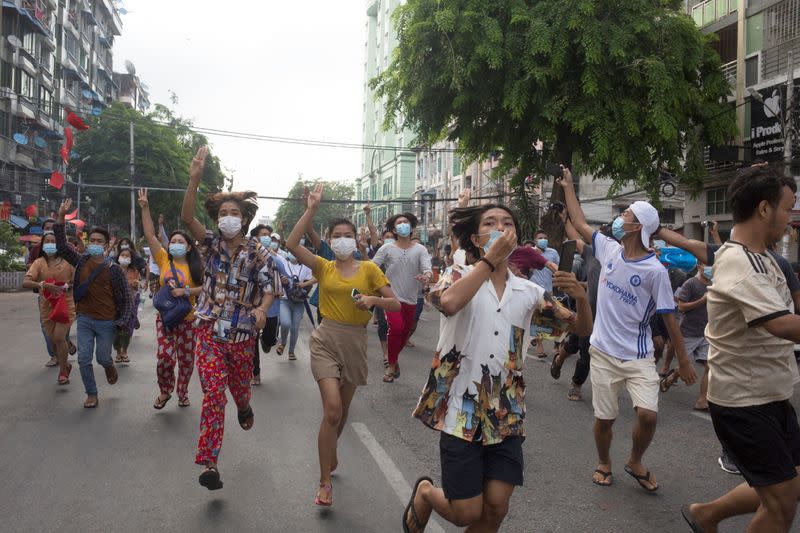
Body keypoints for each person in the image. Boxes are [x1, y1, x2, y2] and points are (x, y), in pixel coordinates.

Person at [402, 203, 592, 533]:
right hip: (460, 405)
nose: (500, 228)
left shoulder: (530, 292)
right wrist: (489, 262)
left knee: (497, 506)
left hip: (506, 410)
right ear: (476, 239)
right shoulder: (456, 275)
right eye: (490, 223)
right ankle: (426, 493)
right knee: (465, 512)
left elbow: (580, 329)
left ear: (517, 237)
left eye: (507, 223)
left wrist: (583, 299)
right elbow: (447, 303)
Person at [558, 166, 696, 491]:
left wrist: (684, 361)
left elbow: (669, 316)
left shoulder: (655, 271)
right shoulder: (608, 249)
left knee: (648, 415)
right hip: (603, 352)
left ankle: (635, 460)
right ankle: (604, 462)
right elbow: (578, 222)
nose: (621, 217)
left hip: (638, 356)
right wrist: (567, 186)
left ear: (638, 227)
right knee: (604, 420)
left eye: (627, 215)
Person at [682, 166, 800, 533]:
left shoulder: (767, 260)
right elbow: (780, 324)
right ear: (765, 209)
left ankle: (706, 514)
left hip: (771, 394)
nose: (790, 218)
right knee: (780, 505)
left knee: (790, 486)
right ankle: (707, 514)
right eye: (788, 208)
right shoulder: (739, 263)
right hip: (743, 403)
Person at [286, 183, 400, 507]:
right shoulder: (324, 266)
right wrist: (310, 209)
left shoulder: (369, 268)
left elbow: (394, 305)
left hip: (355, 342)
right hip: (325, 339)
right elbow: (292, 243)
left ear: (356, 238)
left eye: (347, 234)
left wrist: (372, 299)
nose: (342, 240)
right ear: (331, 239)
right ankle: (324, 482)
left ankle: (330, 454)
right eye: (336, 235)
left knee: (343, 413)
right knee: (332, 409)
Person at [180, 147, 274, 490]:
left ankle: (245, 407)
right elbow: (187, 216)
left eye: (234, 212)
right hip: (207, 329)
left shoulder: (258, 252)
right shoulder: (208, 244)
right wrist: (194, 179)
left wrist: (263, 308)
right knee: (214, 395)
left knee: (238, 390)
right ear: (217, 218)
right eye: (223, 212)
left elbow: (271, 286)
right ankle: (210, 462)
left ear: (244, 219)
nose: (228, 217)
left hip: (242, 336)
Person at [54, 199, 132, 408]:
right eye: (93, 240)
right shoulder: (81, 261)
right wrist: (61, 216)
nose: (95, 243)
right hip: (85, 319)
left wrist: (122, 323)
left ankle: (110, 367)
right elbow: (61, 246)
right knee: (83, 359)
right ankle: (92, 393)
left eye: (99, 241)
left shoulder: (114, 270)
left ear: (106, 246)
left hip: (107, 322)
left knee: (103, 358)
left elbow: (126, 299)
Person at [139, 189, 203, 409]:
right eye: (173, 241)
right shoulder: (164, 258)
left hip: (187, 320)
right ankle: (165, 391)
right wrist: (145, 207)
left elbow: (206, 290)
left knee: (186, 362)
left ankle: (182, 392)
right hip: (165, 318)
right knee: (165, 358)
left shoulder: (197, 266)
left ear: (188, 246)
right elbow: (149, 235)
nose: (175, 244)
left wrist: (185, 292)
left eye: (180, 241)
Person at [371, 212, 432, 383]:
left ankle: (394, 361)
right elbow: (372, 268)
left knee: (404, 334)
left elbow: (427, 269)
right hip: (391, 298)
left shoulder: (421, 249)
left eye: (406, 222)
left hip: (412, 298)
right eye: (399, 223)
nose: (403, 224)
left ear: (412, 227)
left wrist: (426, 276)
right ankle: (391, 365)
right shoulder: (386, 248)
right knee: (396, 328)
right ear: (394, 229)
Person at [550, 216, 602, 401]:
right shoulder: (593, 255)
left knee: (586, 353)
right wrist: (565, 219)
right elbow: (575, 238)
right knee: (574, 346)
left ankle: (575, 382)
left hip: (608, 321)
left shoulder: (630, 263)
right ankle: (562, 365)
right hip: (588, 314)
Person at [22, 230, 76, 385]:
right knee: (53, 341)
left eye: (54, 241)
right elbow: (26, 282)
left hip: (65, 305)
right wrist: (43, 285)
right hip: (47, 306)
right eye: (47, 241)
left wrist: (66, 286)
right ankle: (66, 364)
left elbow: (76, 280)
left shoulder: (68, 262)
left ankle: (63, 372)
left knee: (59, 337)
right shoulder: (39, 263)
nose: (51, 244)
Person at [659, 263, 712, 411]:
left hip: (705, 333)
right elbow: (681, 306)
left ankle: (702, 400)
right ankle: (671, 377)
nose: (711, 268)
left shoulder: (714, 285)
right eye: (708, 265)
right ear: (700, 266)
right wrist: (702, 300)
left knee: (710, 366)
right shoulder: (691, 283)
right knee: (685, 366)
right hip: (688, 332)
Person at [250, 224, 282, 385]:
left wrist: (283, 282)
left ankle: (266, 341)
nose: (267, 238)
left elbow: (287, 275)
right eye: (263, 234)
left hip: (273, 308)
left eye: (269, 235)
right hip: (254, 307)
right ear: (255, 237)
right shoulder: (248, 257)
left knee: (269, 340)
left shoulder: (276, 258)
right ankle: (255, 374)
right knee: (252, 342)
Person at [277, 250, 315, 361]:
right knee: (285, 323)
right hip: (285, 300)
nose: (293, 254)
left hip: (299, 302)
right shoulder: (283, 263)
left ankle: (291, 351)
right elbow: (275, 278)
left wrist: (303, 286)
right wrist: (281, 281)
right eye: (291, 251)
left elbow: (311, 281)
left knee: (294, 328)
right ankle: (283, 343)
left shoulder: (306, 267)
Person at [112, 247, 142, 364]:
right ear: (118, 257)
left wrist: (135, 284)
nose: (124, 258)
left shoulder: (134, 271)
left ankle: (124, 351)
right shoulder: (113, 269)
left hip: (131, 303)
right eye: (122, 255)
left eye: (127, 256)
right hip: (116, 304)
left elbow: (137, 286)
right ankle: (118, 352)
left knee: (128, 328)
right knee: (116, 329)